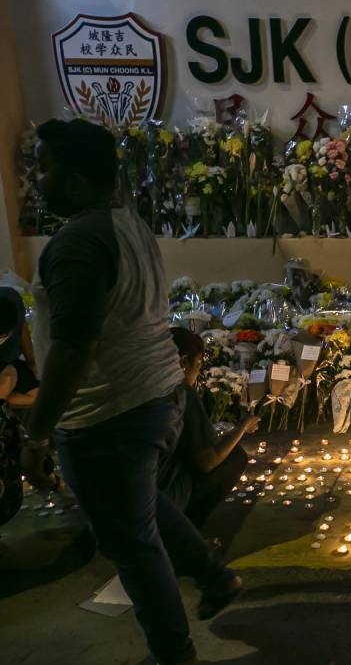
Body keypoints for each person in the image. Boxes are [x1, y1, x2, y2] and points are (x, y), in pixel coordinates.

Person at [20, 118, 241, 665]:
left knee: (133, 546)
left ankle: (175, 653)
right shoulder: (127, 223)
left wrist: (38, 433)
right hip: (158, 396)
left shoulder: (76, 244)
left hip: (107, 413)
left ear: (74, 181)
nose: (35, 180)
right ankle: (215, 576)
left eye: (42, 169)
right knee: (143, 508)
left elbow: (73, 349)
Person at [162, 327, 258, 528]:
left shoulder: (150, 387)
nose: (199, 370)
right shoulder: (182, 393)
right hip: (163, 494)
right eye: (198, 364)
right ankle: (188, 529)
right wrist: (242, 428)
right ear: (183, 362)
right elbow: (207, 462)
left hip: (133, 488)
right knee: (236, 457)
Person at [0, 287, 38, 409]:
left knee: (40, 397)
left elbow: (23, 331)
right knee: (8, 377)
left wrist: (32, 362)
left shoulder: (11, 298)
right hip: (6, 368)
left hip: (10, 361)